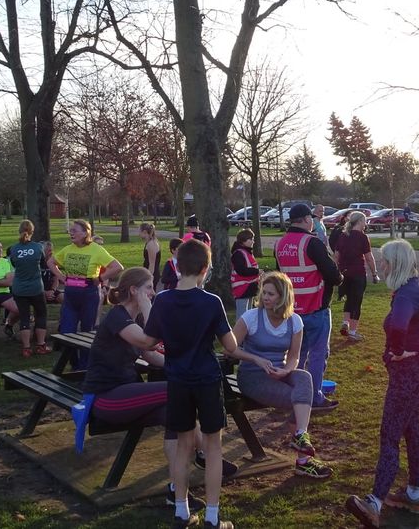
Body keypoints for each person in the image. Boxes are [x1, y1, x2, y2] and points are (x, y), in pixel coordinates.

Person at [144, 239, 272, 529]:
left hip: (177, 379)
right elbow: (229, 345)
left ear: (176, 266)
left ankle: (181, 511)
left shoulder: (162, 300)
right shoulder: (211, 302)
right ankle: (213, 517)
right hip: (206, 379)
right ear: (205, 269)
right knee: (213, 447)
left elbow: (150, 341)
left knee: (182, 446)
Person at [82, 267, 190, 510]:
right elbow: (149, 340)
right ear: (133, 290)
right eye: (149, 288)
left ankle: (176, 489)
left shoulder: (136, 318)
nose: (153, 292)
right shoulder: (117, 317)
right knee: (180, 390)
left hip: (127, 391)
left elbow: (149, 354)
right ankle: (206, 451)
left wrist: (177, 365)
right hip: (107, 398)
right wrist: (146, 305)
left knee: (175, 414)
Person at [345, 239, 419, 526]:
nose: (381, 265)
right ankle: (414, 494)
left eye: (385, 261)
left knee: (390, 435)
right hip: (417, 371)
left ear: (395, 263)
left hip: (409, 374)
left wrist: (396, 352)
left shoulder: (407, 294)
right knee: (412, 431)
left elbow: (398, 325)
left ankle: (374, 502)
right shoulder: (413, 289)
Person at [232, 271, 333, 479]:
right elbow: (229, 348)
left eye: (271, 294)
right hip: (252, 376)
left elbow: (294, 357)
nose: (265, 298)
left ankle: (300, 435)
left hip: (279, 371)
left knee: (304, 377)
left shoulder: (295, 321)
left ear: (283, 296)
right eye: (264, 293)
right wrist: (256, 359)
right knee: (300, 399)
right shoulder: (250, 317)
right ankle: (303, 461)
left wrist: (287, 370)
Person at [274, 203, 342, 409]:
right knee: (318, 354)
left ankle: (295, 393)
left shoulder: (280, 244)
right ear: (305, 219)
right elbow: (332, 274)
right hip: (316, 307)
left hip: (292, 310)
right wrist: (340, 277)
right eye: (310, 218)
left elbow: (280, 277)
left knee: (296, 355)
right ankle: (314, 397)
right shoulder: (311, 243)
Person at [47, 219, 122, 369]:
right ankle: (75, 365)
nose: (71, 233)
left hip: (89, 294)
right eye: (70, 230)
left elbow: (117, 267)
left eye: (74, 230)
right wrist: (61, 276)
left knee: (87, 332)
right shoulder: (68, 249)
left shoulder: (96, 249)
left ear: (85, 233)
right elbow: (50, 262)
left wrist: (101, 278)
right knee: (67, 332)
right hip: (70, 295)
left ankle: (85, 366)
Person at [7, 220, 50, 357]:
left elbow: (13, 264)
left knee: (24, 316)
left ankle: (26, 348)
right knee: (41, 314)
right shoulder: (38, 248)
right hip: (36, 288)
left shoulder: (13, 249)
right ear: (32, 231)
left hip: (19, 288)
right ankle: (41, 345)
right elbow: (43, 264)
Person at [338, 211, 378, 342]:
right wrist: (374, 273)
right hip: (358, 273)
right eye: (365, 221)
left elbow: (336, 255)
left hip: (344, 273)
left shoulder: (343, 236)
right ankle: (353, 332)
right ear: (360, 222)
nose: (365, 224)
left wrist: (337, 271)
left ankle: (345, 322)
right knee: (357, 302)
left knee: (349, 299)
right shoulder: (362, 237)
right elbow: (369, 258)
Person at [230, 229, 260, 319]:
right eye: (251, 239)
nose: (253, 241)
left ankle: (247, 332)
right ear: (243, 240)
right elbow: (241, 270)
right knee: (242, 315)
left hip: (250, 287)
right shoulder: (239, 254)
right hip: (242, 288)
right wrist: (257, 271)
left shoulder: (247, 252)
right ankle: (239, 333)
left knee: (249, 314)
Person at [41, 240, 63, 305]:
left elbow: (56, 279)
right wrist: (45, 293)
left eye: (52, 250)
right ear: (42, 252)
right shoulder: (35, 264)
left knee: (64, 298)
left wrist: (52, 291)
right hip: (38, 292)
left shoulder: (52, 263)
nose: (52, 252)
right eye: (49, 251)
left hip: (51, 291)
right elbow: (32, 283)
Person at [141, 223, 161, 289]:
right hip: (148, 273)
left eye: (139, 231)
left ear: (144, 232)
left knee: (150, 297)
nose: (138, 234)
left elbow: (152, 264)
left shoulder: (151, 244)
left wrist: (149, 279)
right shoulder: (148, 243)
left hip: (152, 274)